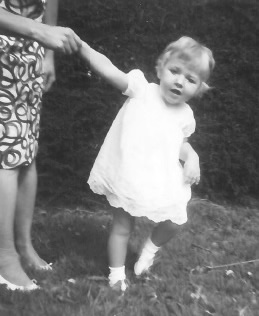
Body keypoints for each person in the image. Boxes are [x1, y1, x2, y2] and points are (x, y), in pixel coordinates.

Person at [79, 36, 215, 291]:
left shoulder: (186, 115)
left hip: (159, 173)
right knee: (123, 225)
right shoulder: (142, 89)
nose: (179, 81)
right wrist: (84, 50)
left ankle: (150, 249)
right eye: (175, 71)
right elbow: (110, 70)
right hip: (129, 172)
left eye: (190, 79)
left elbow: (180, 144)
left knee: (176, 219)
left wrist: (192, 157)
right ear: (161, 68)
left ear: (198, 89)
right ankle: (117, 275)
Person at [0, 0, 81, 291]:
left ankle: (22, 245)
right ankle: (4, 257)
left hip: (29, 52)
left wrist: (47, 54)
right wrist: (39, 31)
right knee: (6, 156)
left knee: (25, 153)